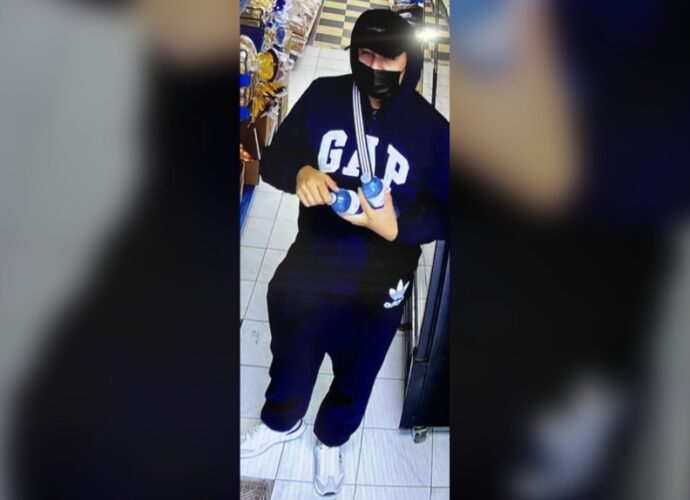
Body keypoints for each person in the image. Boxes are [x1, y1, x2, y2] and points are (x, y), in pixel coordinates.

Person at [240, 8, 449, 496]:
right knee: (291, 350)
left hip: (381, 281)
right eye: (366, 54)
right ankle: (281, 421)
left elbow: (450, 212)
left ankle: (331, 439)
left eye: (389, 57)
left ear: (410, 61)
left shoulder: (433, 132)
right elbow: (274, 159)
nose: (375, 66)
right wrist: (300, 173)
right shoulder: (323, 96)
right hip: (313, 258)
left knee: (358, 370)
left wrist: (399, 227)